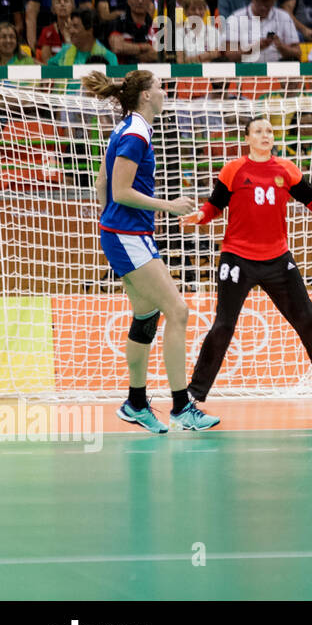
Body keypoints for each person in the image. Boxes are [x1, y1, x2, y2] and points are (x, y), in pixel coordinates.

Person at [181, 117, 312, 406]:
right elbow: (214, 206)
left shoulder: (287, 169)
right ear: (247, 138)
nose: (265, 135)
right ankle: (194, 393)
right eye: (258, 131)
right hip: (237, 258)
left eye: (270, 131)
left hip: (277, 259)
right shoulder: (233, 169)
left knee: (308, 321)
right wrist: (200, 216)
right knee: (223, 325)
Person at [83, 69, 212, 433]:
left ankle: (136, 402)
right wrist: (169, 206)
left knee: (146, 314)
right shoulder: (137, 131)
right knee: (179, 310)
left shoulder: (126, 127)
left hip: (124, 232)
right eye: (158, 86)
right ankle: (182, 407)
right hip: (127, 233)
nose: (163, 90)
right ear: (144, 96)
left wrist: (109, 222)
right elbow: (120, 190)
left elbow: (102, 183)